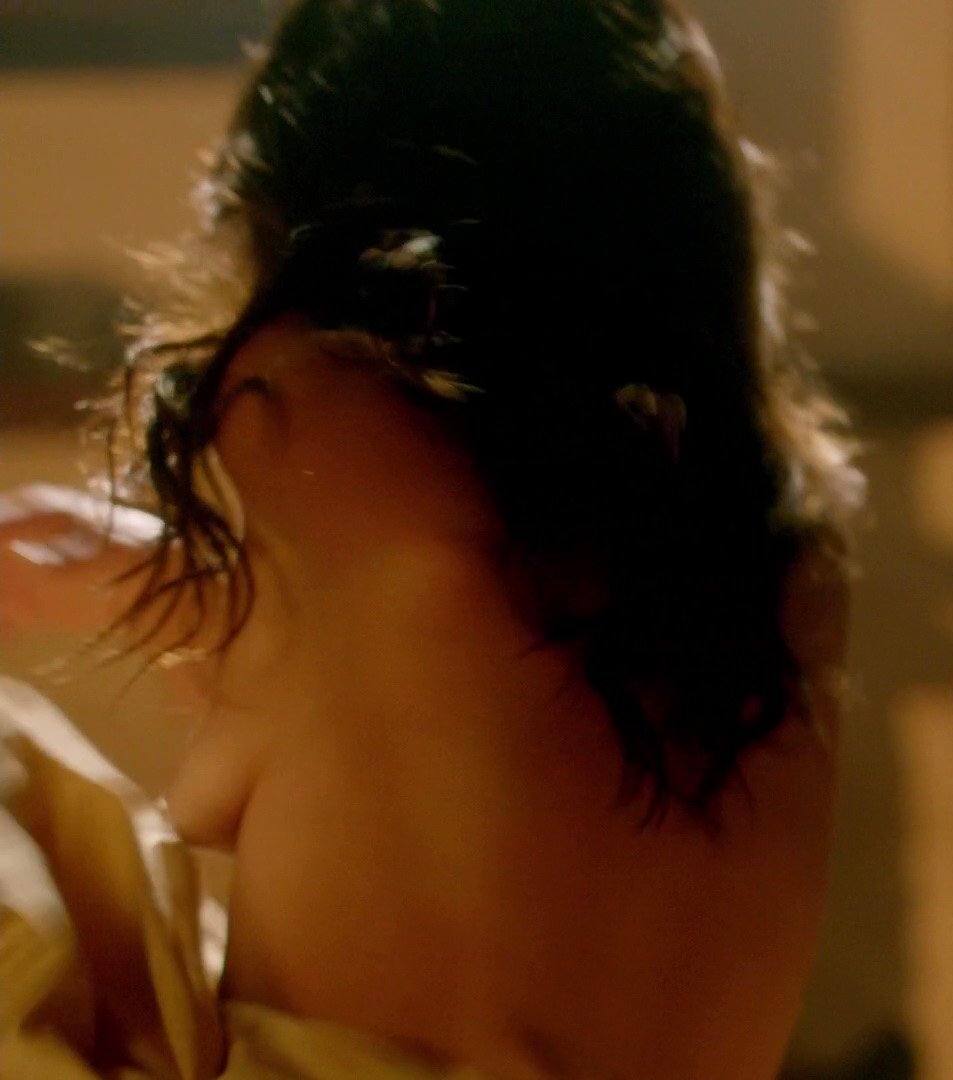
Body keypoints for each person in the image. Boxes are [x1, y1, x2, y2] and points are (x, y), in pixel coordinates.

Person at [0, 1, 862, 1077]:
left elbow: (222, 785)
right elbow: (494, 671)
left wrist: (198, 584)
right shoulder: (794, 557)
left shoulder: (311, 401)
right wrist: (190, 579)